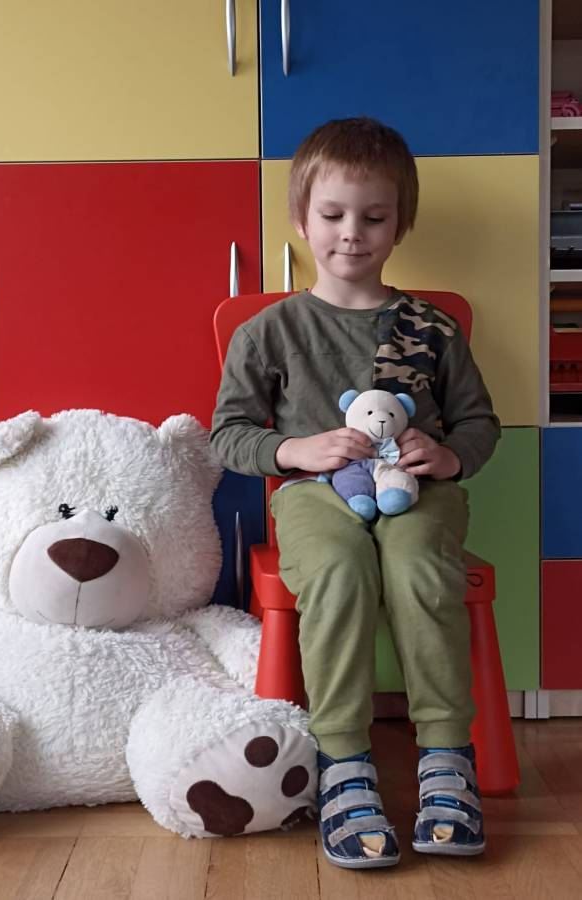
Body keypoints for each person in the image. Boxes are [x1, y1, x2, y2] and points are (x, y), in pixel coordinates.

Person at [210, 117, 500, 869]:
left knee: (417, 568)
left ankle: (446, 756)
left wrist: (447, 455)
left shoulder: (431, 327)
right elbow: (227, 434)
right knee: (339, 572)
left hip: (416, 490)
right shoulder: (269, 331)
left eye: (373, 217)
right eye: (333, 214)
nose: (351, 233)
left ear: (399, 223)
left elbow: (479, 422)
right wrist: (292, 450)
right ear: (300, 220)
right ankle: (342, 760)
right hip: (314, 494)